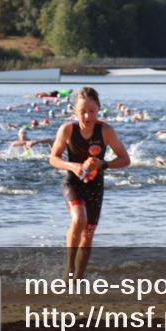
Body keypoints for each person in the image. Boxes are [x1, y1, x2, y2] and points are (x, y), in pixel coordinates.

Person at [49, 87, 130, 279]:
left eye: (91, 111)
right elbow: (53, 158)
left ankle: (79, 277)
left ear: (99, 110)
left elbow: (125, 160)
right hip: (73, 183)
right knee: (79, 220)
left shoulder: (106, 131)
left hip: (95, 186)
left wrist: (103, 164)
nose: (87, 116)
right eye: (82, 111)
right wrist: (73, 166)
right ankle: (69, 269)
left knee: (88, 233)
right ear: (75, 112)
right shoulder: (68, 129)